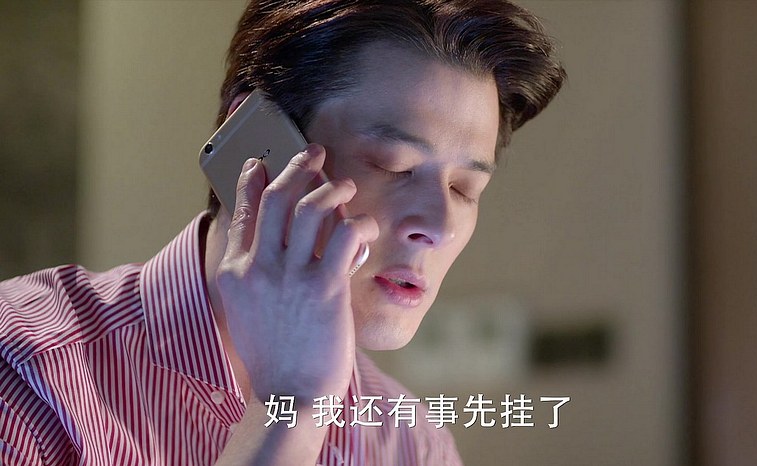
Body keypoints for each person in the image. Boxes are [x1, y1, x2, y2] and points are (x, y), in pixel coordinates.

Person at [0, 0, 565, 464]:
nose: (438, 227)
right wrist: (290, 408)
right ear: (257, 146)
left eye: (466, 189)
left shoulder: (410, 444)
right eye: (392, 166)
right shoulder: (29, 371)